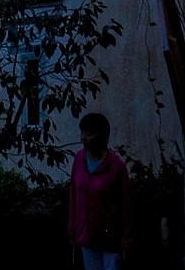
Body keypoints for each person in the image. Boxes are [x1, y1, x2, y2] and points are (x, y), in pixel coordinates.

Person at [68, 111, 131, 269]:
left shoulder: (117, 167)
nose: (83, 138)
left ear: (101, 136)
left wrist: (125, 240)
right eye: (82, 133)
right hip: (87, 238)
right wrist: (72, 229)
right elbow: (74, 196)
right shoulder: (79, 159)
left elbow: (126, 206)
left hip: (110, 241)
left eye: (88, 134)